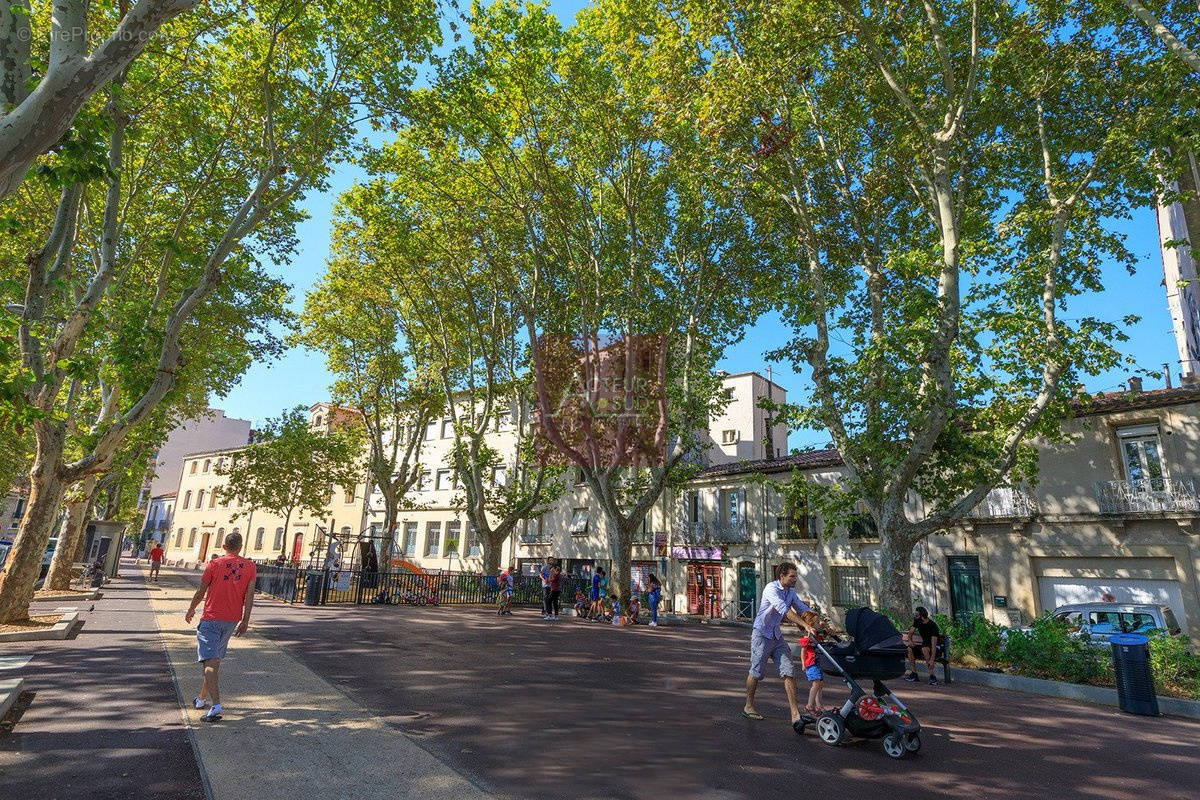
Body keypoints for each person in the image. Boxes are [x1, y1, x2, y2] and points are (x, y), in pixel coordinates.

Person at [184, 531, 257, 722]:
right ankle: (201, 699)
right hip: (231, 620)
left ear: (224, 546)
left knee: (210, 662)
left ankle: (216, 705)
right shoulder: (249, 567)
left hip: (211, 617)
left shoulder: (215, 564)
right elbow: (249, 596)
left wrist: (191, 608)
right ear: (241, 547)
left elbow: (201, 591)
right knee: (214, 661)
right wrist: (246, 620)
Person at [743, 562, 814, 729]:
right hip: (761, 634)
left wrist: (818, 621)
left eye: (795, 576)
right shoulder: (771, 588)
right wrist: (804, 625)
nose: (795, 579)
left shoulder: (790, 592)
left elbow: (801, 608)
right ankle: (748, 705)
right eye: (792, 576)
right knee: (756, 672)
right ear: (781, 576)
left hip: (776, 635)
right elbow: (785, 611)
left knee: (789, 671)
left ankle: (795, 714)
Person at [903, 606, 941, 685]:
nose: (915, 617)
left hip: (935, 648)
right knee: (909, 649)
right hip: (924, 646)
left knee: (925, 649)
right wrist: (910, 641)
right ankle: (914, 674)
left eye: (917, 615)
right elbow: (910, 632)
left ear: (922, 616)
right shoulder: (917, 621)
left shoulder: (932, 625)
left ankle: (932, 676)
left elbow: (934, 644)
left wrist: (932, 659)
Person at [796, 633, 828, 715]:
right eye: (817, 622)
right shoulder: (807, 638)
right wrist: (803, 664)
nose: (819, 623)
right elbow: (803, 651)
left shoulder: (817, 636)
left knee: (820, 684)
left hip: (818, 663)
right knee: (816, 683)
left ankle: (819, 705)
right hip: (811, 664)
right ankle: (809, 705)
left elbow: (826, 634)